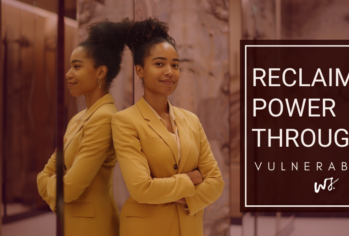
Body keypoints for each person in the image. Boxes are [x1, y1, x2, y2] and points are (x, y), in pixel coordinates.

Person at [111, 18, 225, 236]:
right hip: (146, 229)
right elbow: (141, 189)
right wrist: (191, 179)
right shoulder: (125, 121)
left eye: (175, 65)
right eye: (159, 64)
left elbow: (216, 182)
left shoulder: (191, 119)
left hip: (190, 227)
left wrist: (182, 196)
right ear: (139, 70)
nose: (170, 72)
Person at [36, 19, 129, 236]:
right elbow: (44, 173)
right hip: (73, 222)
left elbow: (68, 188)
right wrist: (56, 189)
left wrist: (53, 188)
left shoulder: (105, 118)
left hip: (94, 226)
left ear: (100, 72)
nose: (68, 74)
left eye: (77, 66)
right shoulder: (78, 119)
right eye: (70, 66)